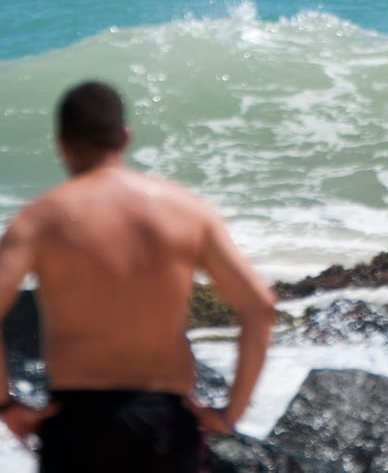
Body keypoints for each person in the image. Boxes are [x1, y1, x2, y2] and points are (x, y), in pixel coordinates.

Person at [0, 81, 278, 472]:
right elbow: (259, 306)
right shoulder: (184, 211)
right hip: (165, 421)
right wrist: (232, 411)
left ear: (61, 143)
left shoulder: (41, 219)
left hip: (78, 422)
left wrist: (8, 405)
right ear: (125, 138)